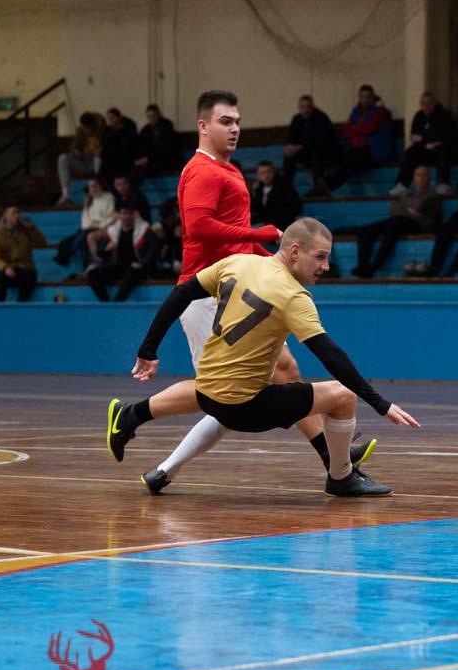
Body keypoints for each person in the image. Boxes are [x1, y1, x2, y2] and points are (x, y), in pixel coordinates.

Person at [140, 89, 375, 495]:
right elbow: (198, 228)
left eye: (237, 122)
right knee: (220, 395)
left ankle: (331, 458)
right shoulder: (202, 171)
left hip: (233, 289)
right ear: (203, 126)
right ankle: (135, 422)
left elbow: (236, 246)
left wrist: (272, 261)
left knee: (284, 371)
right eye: (225, 122)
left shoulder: (229, 170)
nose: (235, 129)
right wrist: (258, 233)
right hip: (206, 295)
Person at [106, 218, 419, 497]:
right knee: (343, 396)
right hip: (246, 410)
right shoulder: (293, 296)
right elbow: (330, 355)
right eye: (320, 257)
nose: (326, 266)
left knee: (275, 374)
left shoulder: (237, 263)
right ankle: (341, 477)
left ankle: (137, 425)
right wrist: (381, 404)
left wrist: (148, 349)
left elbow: (181, 293)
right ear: (295, 251)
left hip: (208, 395)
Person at [351, 164, 442, 278]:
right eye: (418, 175)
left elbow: (425, 215)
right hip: (398, 221)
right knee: (365, 231)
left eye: (424, 175)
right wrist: (411, 210)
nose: (421, 178)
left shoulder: (433, 196)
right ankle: (363, 267)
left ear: (429, 178)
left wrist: (408, 208)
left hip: (416, 225)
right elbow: (395, 209)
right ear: (414, 178)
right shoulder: (408, 194)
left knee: (394, 225)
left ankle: (375, 266)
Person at [391, 93, 458, 193]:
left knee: (442, 150)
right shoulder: (419, 116)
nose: (425, 106)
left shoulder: (444, 115)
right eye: (423, 104)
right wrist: (426, 143)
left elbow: (445, 136)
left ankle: (443, 184)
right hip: (426, 149)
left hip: (446, 150)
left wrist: (424, 139)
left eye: (429, 103)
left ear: (434, 103)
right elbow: (414, 137)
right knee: (410, 152)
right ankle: (402, 184)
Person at [86, 206, 153, 302]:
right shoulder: (113, 232)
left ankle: (117, 303)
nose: (127, 217)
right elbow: (102, 256)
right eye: (124, 213)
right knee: (92, 274)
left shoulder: (143, 230)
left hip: (135, 267)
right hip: (118, 267)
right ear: (120, 216)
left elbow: (154, 248)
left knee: (132, 272)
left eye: (129, 213)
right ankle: (106, 303)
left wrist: (143, 263)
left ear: (134, 215)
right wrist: (107, 250)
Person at [52, 175, 115, 271]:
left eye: (95, 185)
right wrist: (89, 226)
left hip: (103, 227)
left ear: (100, 185)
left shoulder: (109, 197)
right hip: (88, 228)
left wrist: (98, 224)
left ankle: (69, 254)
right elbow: (85, 218)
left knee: (84, 234)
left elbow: (110, 216)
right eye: (90, 186)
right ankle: (85, 265)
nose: (93, 188)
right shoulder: (88, 199)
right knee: (83, 235)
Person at [284, 95, 342, 195]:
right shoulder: (296, 119)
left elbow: (322, 140)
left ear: (313, 107)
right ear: (299, 108)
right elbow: (292, 137)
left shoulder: (321, 118)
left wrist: (300, 147)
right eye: (303, 107)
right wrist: (290, 147)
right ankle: (286, 185)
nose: (306, 110)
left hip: (327, 154)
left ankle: (319, 184)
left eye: (308, 107)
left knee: (316, 151)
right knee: (289, 155)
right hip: (307, 154)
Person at [0, 206, 47, 302]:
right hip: (9, 267)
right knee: (0, 277)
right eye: (14, 213)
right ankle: (0, 305)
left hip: (25, 267)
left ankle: (20, 305)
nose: (17, 215)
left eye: (18, 213)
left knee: (29, 276)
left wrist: (32, 228)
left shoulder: (25, 230)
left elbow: (42, 243)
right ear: (5, 215)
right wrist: (5, 267)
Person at [55, 112, 103, 206]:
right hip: (84, 161)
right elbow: (73, 148)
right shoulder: (80, 131)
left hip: (99, 163)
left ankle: (98, 190)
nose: (86, 131)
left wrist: (99, 150)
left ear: (93, 125)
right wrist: (78, 152)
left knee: (98, 157)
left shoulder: (103, 131)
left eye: (88, 129)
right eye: (84, 129)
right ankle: (65, 195)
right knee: (62, 158)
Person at [249, 160, 304, 233]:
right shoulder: (258, 189)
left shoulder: (284, 186)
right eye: (262, 173)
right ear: (258, 175)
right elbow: (257, 211)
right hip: (266, 225)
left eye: (268, 172)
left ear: (273, 172)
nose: (266, 175)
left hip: (283, 225)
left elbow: (297, 207)